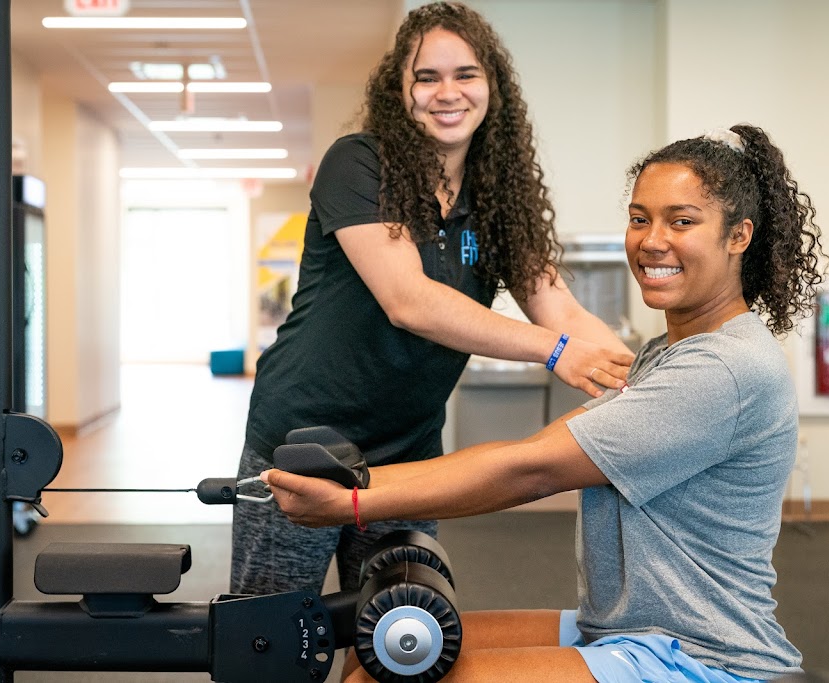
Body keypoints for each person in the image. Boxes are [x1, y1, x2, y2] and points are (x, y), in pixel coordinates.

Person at [264, 123, 828, 682]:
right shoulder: (667, 353)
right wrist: (355, 485)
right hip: (623, 628)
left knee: (390, 676)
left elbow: (530, 468)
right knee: (376, 653)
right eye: (639, 219)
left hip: (698, 654)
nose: (653, 240)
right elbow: (535, 451)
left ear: (739, 236)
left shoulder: (723, 368)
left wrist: (350, 504)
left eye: (682, 221)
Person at [231, 1, 635, 597]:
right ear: (401, 89)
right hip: (301, 437)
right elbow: (410, 301)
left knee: (397, 630)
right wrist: (557, 352)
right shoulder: (358, 163)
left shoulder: (497, 196)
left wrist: (649, 381)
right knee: (270, 637)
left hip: (408, 457)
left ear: (491, 85)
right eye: (427, 76)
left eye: (465, 74)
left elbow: (562, 309)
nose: (448, 92)